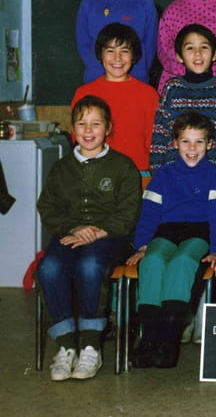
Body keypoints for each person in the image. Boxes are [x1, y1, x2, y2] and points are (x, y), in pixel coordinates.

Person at [36, 96, 141, 381]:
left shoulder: (123, 166)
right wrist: (73, 228)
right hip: (70, 235)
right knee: (48, 267)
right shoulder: (61, 168)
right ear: (73, 129)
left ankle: (91, 345)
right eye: (82, 124)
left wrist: (99, 231)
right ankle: (66, 346)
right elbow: (47, 207)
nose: (88, 130)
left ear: (108, 128)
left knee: (90, 265)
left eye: (96, 124)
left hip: (111, 237)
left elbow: (129, 211)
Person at [127, 112, 216, 368]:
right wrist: (142, 245)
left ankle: (168, 339)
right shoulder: (163, 174)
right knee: (153, 260)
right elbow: (149, 213)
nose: (192, 149)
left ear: (209, 144)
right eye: (186, 141)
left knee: (183, 261)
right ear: (175, 143)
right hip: (168, 230)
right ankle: (149, 338)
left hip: (200, 231)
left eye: (199, 142)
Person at [150, 23, 216, 174]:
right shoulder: (172, 88)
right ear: (179, 56)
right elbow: (160, 132)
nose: (198, 54)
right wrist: (157, 171)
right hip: (175, 173)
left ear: (215, 54)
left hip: (213, 173)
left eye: (204, 47)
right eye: (190, 48)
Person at [72, 23, 159, 173]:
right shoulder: (84, 93)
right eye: (110, 51)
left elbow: (154, 141)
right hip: (96, 171)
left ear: (133, 56)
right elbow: (77, 138)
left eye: (124, 51)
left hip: (138, 172)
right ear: (100, 55)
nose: (117, 58)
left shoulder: (148, 94)